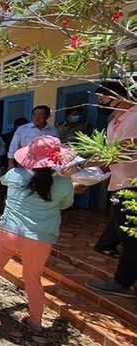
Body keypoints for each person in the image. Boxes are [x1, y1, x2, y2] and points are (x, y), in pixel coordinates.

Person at [0, 135, 76, 334]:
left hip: (9, 232)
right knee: (33, 279)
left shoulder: (15, 175)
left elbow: (5, 180)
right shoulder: (63, 184)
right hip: (40, 238)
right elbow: (66, 204)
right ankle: (36, 323)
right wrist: (66, 177)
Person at [86, 81, 137, 298]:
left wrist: (81, 164)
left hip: (133, 186)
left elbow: (123, 151)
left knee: (130, 238)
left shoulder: (134, 118)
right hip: (119, 184)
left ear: (119, 96)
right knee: (126, 236)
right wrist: (84, 177)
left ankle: (122, 282)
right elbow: (108, 159)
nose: (101, 103)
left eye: (103, 98)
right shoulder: (113, 123)